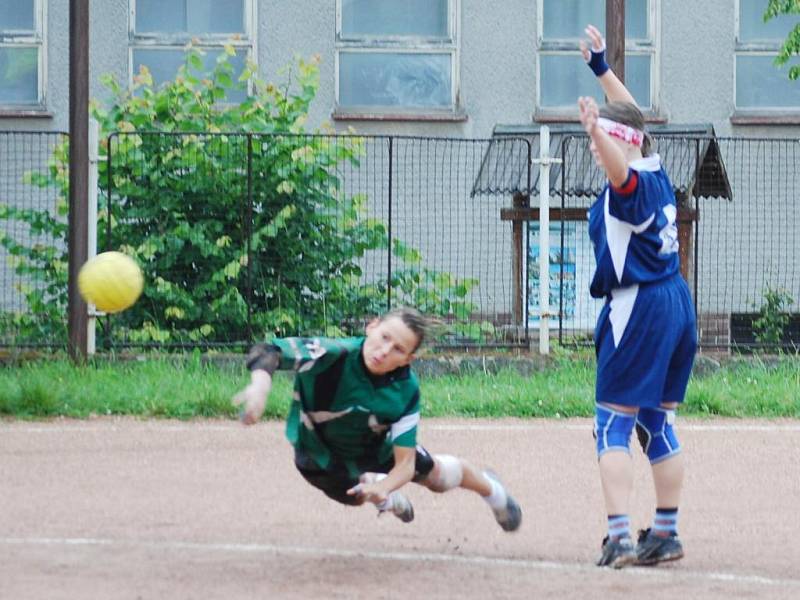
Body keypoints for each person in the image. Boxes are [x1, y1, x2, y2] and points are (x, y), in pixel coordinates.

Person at [232, 307, 522, 531]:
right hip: (318, 454)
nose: (384, 352)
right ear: (371, 327)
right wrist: (260, 386)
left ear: (408, 359)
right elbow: (268, 350)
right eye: (384, 337)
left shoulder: (405, 389)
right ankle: (389, 500)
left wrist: (385, 486)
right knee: (353, 495)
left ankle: (495, 493)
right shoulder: (332, 354)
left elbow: (405, 465)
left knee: (435, 477)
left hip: (375, 448)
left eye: (398, 349)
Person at [577, 25, 696, 568]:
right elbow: (632, 121)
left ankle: (620, 535)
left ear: (615, 144)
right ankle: (665, 533)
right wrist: (602, 68)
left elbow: (619, 164)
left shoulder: (631, 183)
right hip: (674, 301)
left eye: (598, 139)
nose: (593, 147)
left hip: (638, 309)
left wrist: (596, 131)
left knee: (613, 424)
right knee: (656, 422)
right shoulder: (656, 166)